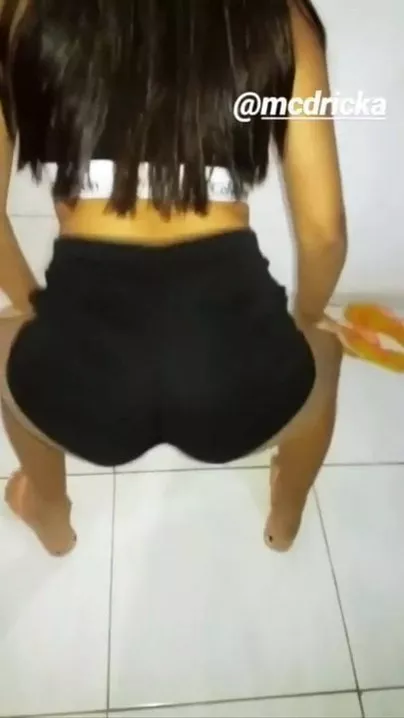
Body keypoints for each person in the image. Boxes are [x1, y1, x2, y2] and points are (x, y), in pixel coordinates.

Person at [0, 0, 346, 557]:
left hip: (83, 391)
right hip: (233, 383)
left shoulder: (20, 10)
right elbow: (325, 234)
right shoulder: (281, 17)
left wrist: (33, 304)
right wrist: (307, 318)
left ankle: (51, 514)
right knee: (326, 353)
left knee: (6, 351)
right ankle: (286, 513)